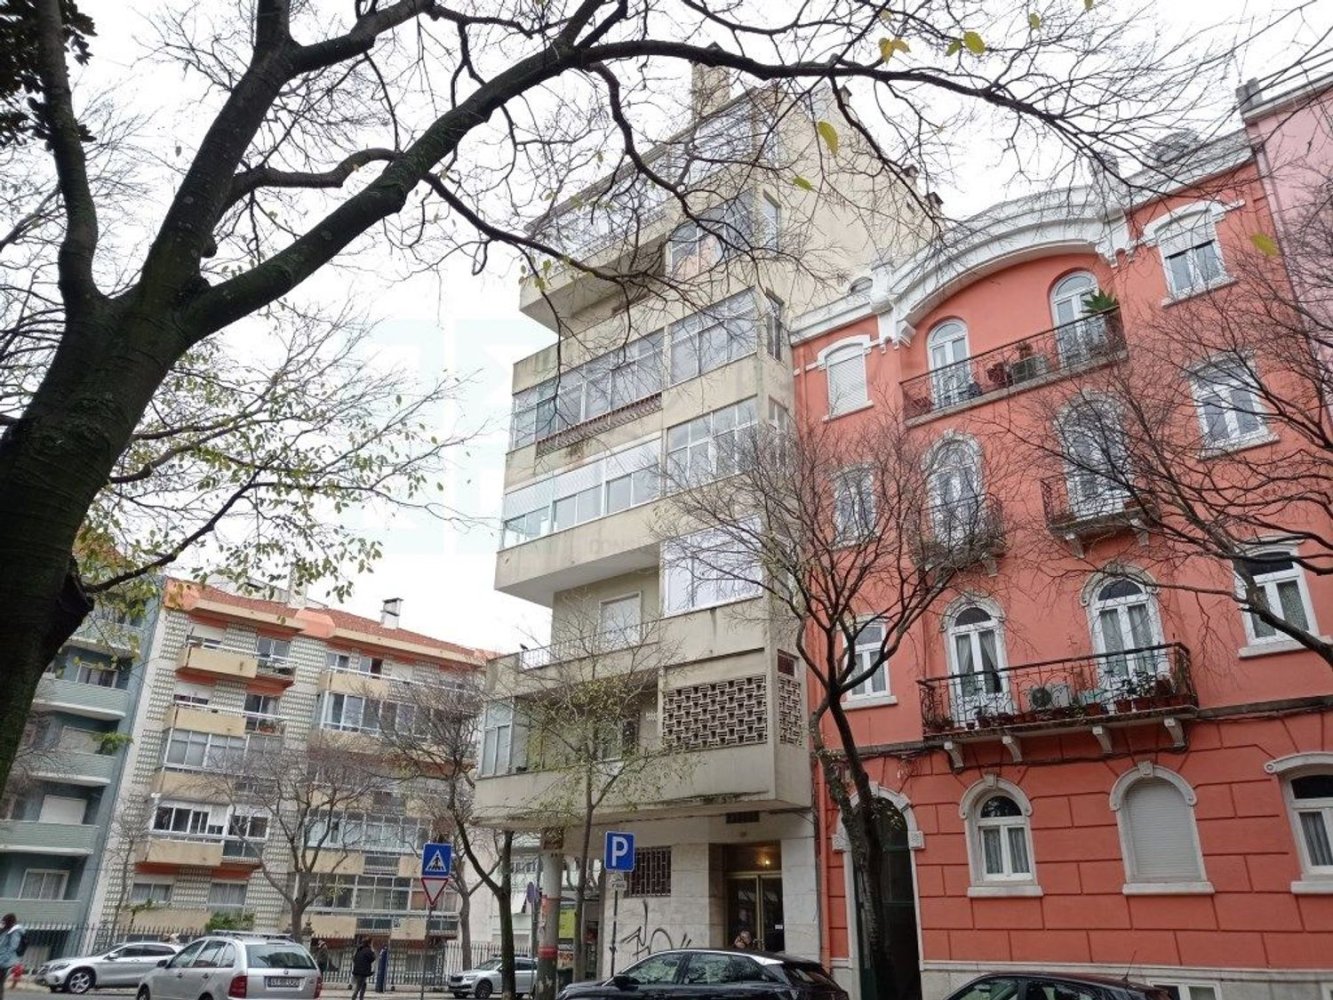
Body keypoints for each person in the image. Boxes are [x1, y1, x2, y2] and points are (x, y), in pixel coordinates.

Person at [0, 914, 25, 1000]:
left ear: (9, 922)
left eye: (4, 922)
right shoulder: (7, 930)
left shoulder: (15, 932)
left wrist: (2, 961)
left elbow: (12, 947)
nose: (2, 923)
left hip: (4, 963)